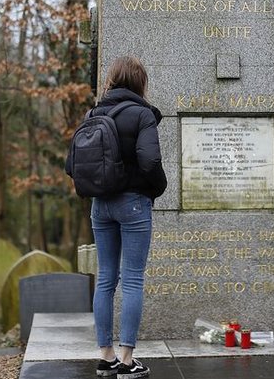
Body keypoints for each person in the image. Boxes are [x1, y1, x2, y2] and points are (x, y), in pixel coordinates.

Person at [89, 56, 167, 379]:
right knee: (132, 278)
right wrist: (158, 188)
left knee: (106, 278)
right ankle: (126, 360)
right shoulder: (142, 115)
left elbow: (73, 164)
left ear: (112, 80)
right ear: (140, 84)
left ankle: (105, 356)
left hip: (100, 205)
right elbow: (150, 162)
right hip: (133, 204)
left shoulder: (93, 114)